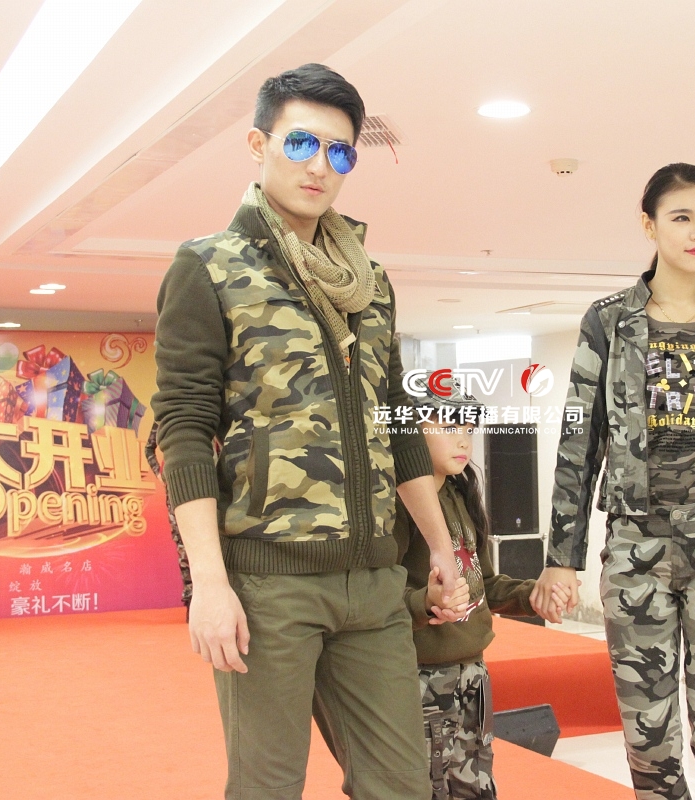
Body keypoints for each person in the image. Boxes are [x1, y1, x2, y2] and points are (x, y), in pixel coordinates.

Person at [152, 63, 466, 800]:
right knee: (267, 788)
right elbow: (185, 430)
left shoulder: (371, 282)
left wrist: (440, 544)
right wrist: (209, 584)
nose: (319, 165)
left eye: (340, 151)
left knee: (402, 786)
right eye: (300, 143)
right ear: (258, 144)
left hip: (374, 583)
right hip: (271, 585)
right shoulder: (208, 267)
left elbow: (395, 419)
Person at [532, 163, 695, 800]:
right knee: (647, 735)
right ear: (649, 226)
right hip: (637, 546)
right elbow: (579, 440)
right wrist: (562, 557)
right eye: (681, 217)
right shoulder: (608, 321)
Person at [392, 391, 571, 800]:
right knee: (426, 786)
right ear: (410, 432)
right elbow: (376, 595)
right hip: (419, 676)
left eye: (469, 429)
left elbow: (482, 583)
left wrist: (533, 595)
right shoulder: (397, 505)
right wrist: (425, 602)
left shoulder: (460, 496)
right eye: (449, 426)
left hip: (472, 672)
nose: (463, 440)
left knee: (475, 784)